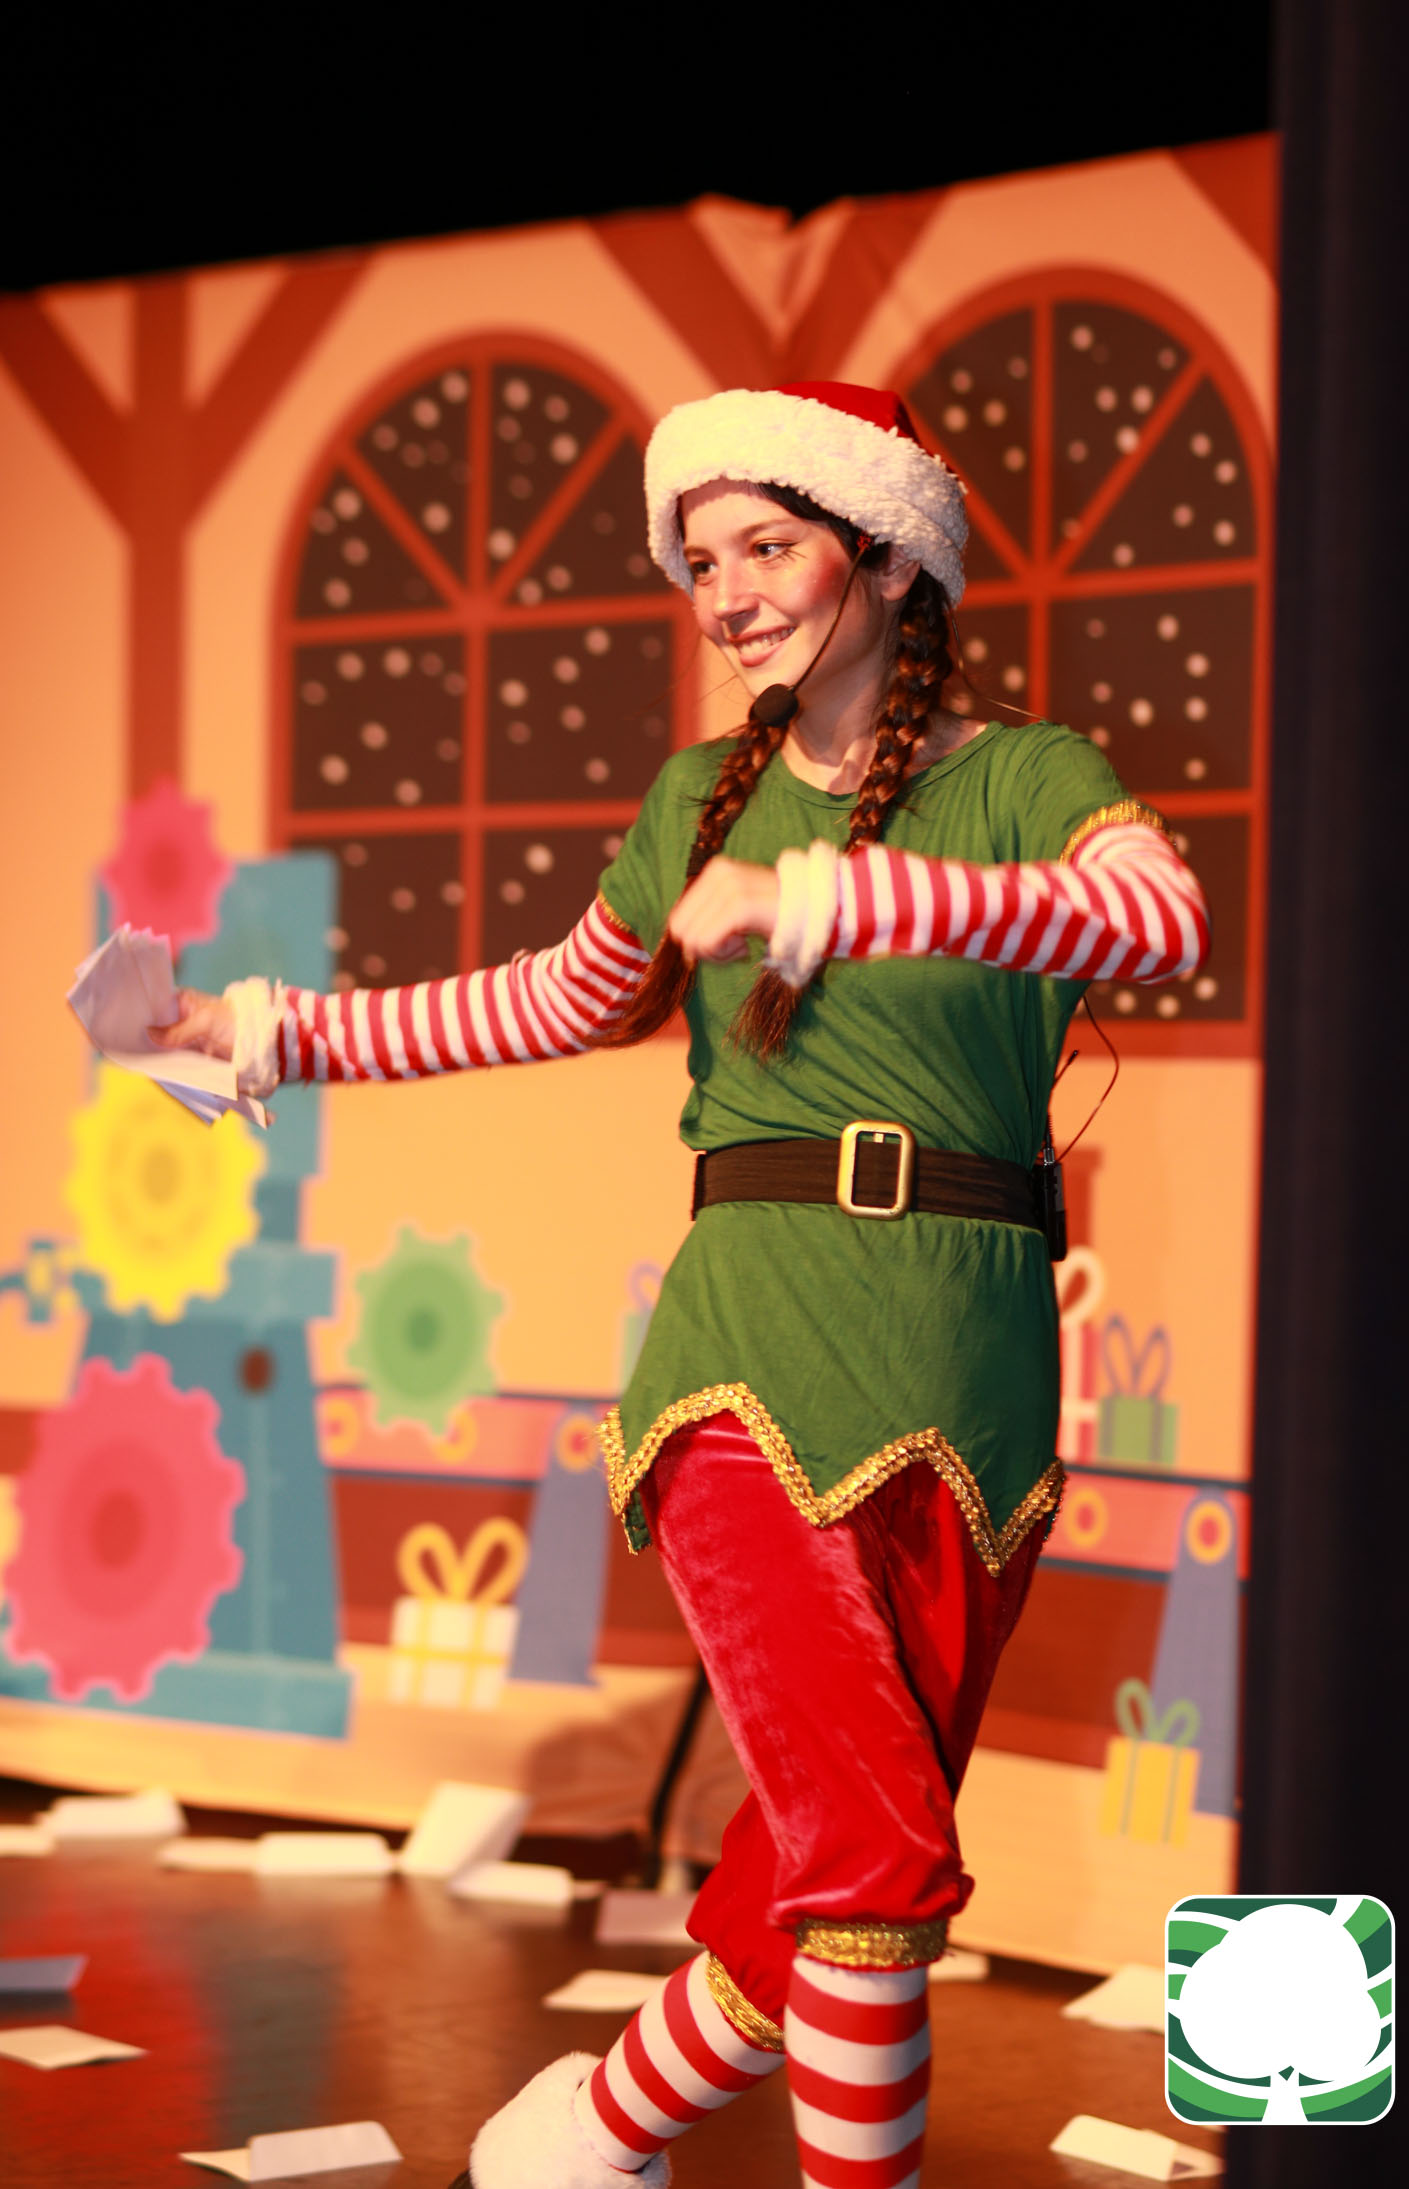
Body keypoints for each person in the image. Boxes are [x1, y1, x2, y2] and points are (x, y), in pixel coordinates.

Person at [152, 381, 1210, 2189]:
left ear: (888, 559)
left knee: (814, 1874)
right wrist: (255, 1029)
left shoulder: (1029, 776)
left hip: (974, 1369)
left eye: (766, 546)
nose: (725, 594)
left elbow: (1156, 919)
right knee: (872, 1870)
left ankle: (586, 2133)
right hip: (751, 1352)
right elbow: (550, 996)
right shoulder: (696, 804)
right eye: (700, 561)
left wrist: (851, 905)